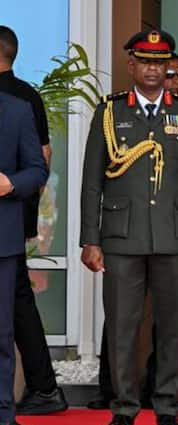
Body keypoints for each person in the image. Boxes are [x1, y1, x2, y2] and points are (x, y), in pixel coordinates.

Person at [79, 29, 178, 425]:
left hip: (174, 234)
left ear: (169, 68)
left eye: (160, 62)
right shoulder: (110, 111)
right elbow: (92, 181)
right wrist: (90, 238)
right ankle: (124, 406)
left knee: (172, 325)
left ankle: (166, 404)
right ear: (131, 65)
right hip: (121, 236)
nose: (153, 69)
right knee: (122, 326)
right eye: (145, 61)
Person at [0, 25, 67, 415]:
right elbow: (45, 156)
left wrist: (16, 193)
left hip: (8, 219)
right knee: (18, 303)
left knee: (12, 311)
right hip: (16, 217)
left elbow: (39, 161)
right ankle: (43, 387)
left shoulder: (20, 102)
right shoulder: (28, 94)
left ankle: (40, 389)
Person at [0, 91, 49, 425]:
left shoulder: (17, 111)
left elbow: (37, 170)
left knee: (2, 334)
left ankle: (4, 414)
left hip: (2, 242)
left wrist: (11, 184)